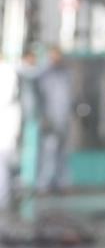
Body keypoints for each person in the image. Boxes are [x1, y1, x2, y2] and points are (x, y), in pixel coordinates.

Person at [19, 48, 73, 195]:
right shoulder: (42, 74)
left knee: (63, 153)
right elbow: (29, 77)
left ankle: (63, 183)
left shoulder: (65, 74)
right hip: (49, 119)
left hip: (64, 120)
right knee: (48, 152)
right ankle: (43, 184)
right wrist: (43, 116)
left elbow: (68, 97)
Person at [0, 57, 20, 211]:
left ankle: (4, 203)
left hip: (6, 132)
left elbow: (5, 98)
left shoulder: (7, 72)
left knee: (4, 167)